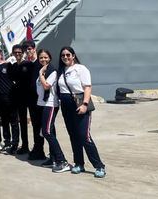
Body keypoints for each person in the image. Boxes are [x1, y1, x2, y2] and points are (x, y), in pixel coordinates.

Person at [57, 46, 106, 178]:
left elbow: (87, 87)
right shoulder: (61, 71)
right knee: (73, 136)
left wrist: (85, 104)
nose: (65, 57)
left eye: (68, 55)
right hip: (66, 107)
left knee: (84, 136)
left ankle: (99, 166)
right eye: (63, 55)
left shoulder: (81, 68)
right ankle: (79, 163)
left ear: (73, 55)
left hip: (79, 104)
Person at [35, 49, 71, 172]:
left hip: (50, 104)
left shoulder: (52, 71)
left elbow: (46, 86)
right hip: (42, 104)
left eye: (45, 57)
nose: (43, 60)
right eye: (41, 58)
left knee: (46, 132)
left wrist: (40, 73)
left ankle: (62, 161)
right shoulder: (44, 71)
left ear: (49, 58)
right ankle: (53, 158)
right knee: (51, 131)